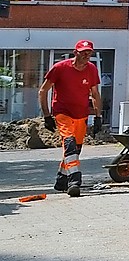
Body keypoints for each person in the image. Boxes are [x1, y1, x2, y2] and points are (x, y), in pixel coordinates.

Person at [37, 39, 103, 197]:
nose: (87, 55)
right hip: (62, 112)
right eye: (84, 52)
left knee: (74, 151)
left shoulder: (92, 69)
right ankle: (74, 182)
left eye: (89, 52)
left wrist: (98, 116)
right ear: (76, 53)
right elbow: (43, 91)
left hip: (81, 114)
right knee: (70, 144)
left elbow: (95, 94)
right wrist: (47, 116)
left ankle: (61, 180)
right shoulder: (60, 68)